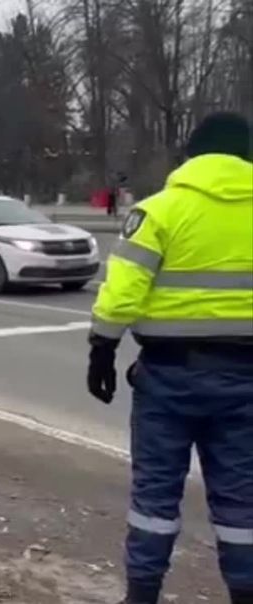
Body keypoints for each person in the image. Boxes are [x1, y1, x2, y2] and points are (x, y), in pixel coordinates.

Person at [87, 112, 253, 604]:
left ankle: (142, 595)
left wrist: (102, 349)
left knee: (154, 499)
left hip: (167, 379)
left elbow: (122, 294)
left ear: (190, 157)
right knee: (242, 502)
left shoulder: (159, 211)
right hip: (246, 382)